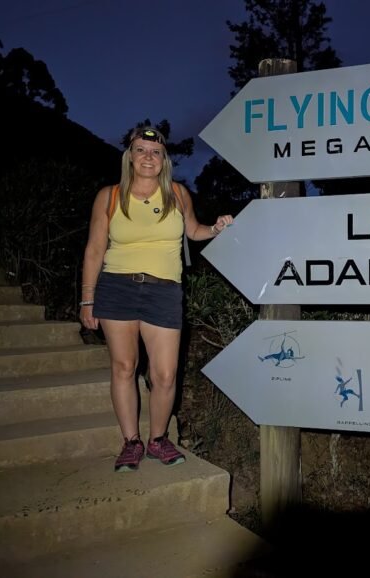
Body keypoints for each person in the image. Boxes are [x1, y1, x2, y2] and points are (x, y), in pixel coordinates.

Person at [79, 126, 233, 473]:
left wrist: (216, 229)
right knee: (123, 367)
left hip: (164, 290)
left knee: (164, 374)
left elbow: (193, 231)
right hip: (117, 288)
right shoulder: (109, 196)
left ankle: (158, 439)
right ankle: (131, 442)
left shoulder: (178, 194)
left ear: (164, 160)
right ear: (129, 157)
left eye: (155, 151)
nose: (148, 157)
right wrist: (87, 300)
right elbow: (94, 249)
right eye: (140, 150)